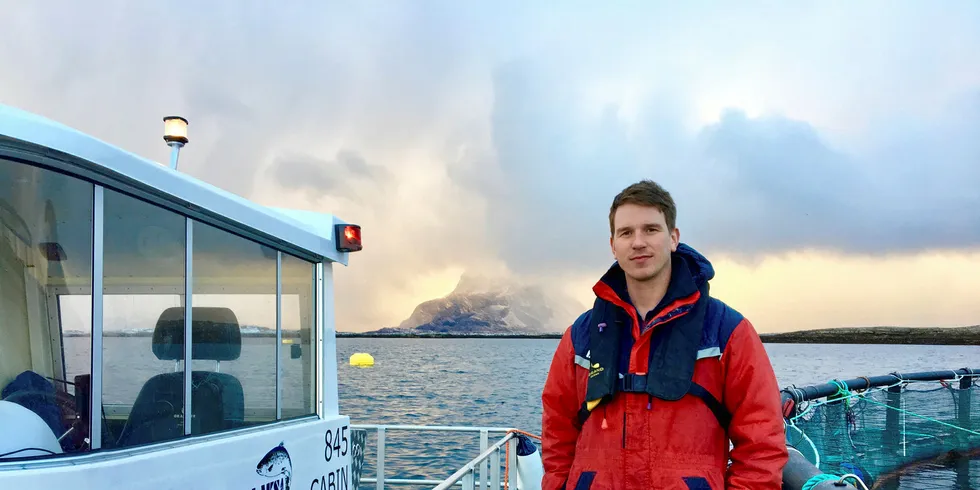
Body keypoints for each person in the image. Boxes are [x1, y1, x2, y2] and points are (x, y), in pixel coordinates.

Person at [540, 180, 788, 489]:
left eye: (651, 229)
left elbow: (762, 442)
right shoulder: (581, 336)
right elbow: (557, 432)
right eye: (626, 232)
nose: (638, 242)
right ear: (613, 245)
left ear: (673, 238)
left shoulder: (727, 332)